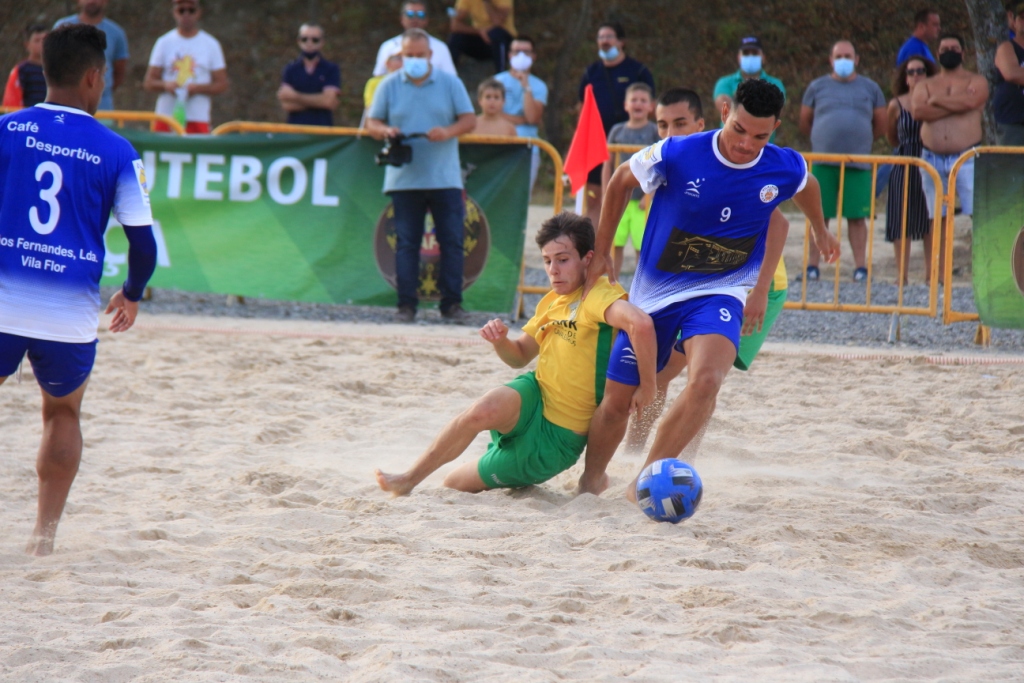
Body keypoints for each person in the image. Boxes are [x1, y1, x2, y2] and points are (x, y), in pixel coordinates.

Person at [577, 79, 840, 498]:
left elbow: (808, 185)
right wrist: (603, 252)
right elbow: (620, 181)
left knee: (706, 382)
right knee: (619, 400)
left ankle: (644, 482)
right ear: (723, 114)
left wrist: (821, 230)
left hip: (722, 292)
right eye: (739, 130)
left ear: (774, 129)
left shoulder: (781, 165)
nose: (747, 144)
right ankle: (591, 479)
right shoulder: (681, 151)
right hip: (657, 292)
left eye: (761, 136)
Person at [0, 24, 157, 556]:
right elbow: (143, 243)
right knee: (62, 414)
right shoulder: (116, 150)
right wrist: (132, 292)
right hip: (67, 308)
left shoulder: (6, 130)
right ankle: (42, 540)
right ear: (95, 78)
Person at [375, 212, 656, 496]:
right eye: (547, 261)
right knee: (480, 412)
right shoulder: (551, 301)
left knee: (454, 483)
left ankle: (592, 478)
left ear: (587, 258)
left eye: (562, 259)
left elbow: (641, 324)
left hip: (557, 438)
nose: (553, 270)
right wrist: (500, 342)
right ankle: (408, 479)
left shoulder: (598, 294)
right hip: (534, 395)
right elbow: (519, 356)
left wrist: (648, 387)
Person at [623, 88, 793, 455]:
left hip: (752, 287)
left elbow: (779, 224)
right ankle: (639, 450)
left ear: (704, 125)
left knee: (696, 379)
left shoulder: (736, 162)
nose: (670, 134)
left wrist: (761, 290)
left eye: (680, 124)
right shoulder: (677, 163)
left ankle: (680, 457)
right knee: (668, 374)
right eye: (662, 125)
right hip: (699, 284)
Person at [366, 29, 477, 323]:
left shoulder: (451, 83)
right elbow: (371, 122)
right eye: (409, 55)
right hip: (404, 179)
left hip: (445, 177)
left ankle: (452, 304)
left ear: (430, 55)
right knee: (406, 243)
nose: (414, 60)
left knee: (452, 241)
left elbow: (469, 119)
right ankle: (406, 306)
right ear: (401, 56)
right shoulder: (388, 85)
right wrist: (385, 131)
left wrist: (447, 132)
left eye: (419, 55)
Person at [800, 40, 886, 282]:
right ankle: (812, 267)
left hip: (858, 163)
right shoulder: (817, 87)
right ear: (831, 59)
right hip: (823, 161)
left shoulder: (871, 88)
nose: (844, 60)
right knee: (819, 215)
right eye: (839, 56)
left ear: (857, 59)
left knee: (857, 217)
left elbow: (880, 122)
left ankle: (860, 268)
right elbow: (805, 120)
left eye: (848, 56)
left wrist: (860, 139)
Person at [578, 22, 656, 229]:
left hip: (631, 140)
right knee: (595, 198)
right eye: (600, 37)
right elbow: (582, 107)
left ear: (621, 42)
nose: (604, 41)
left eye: (609, 36)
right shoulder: (590, 72)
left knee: (633, 197)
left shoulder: (637, 70)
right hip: (598, 144)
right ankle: (593, 247)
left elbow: (652, 102)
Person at [911, 34, 988, 224]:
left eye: (954, 49)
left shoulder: (976, 80)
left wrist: (936, 101)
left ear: (963, 53)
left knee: (977, 214)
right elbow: (919, 112)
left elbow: (972, 102)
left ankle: (982, 254)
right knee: (938, 217)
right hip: (931, 157)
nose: (949, 52)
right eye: (944, 49)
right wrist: (958, 106)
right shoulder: (925, 84)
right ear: (937, 54)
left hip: (967, 157)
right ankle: (942, 254)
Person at [601, 82, 659, 279]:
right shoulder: (617, 131)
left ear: (651, 106)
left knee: (641, 245)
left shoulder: (654, 131)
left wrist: (649, 195)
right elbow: (607, 164)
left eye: (643, 101)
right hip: (619, 198)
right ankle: (612, 284)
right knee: (615, 244)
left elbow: (659, 167)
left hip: (643, 200)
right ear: (626, 105)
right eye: (634, 100)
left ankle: (640, 285)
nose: (638, 104)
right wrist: (606, 192)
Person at [886, 57, 936, 284]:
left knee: (929, 218)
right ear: (904, 77)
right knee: (900, 218)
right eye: (911, 71)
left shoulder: (936, 101)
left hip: (930, 159)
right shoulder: (896, 104)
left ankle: (931, 274)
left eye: (921, 71)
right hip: (905, 159)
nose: (916, 75)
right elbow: (891, 136)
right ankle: (901, 275)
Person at [143, 0, 228, 134]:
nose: (186, 15)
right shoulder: (164, 42)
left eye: (191, 10)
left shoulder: (211, 44)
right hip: (166, 117)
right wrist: (166, 85)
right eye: (181, 10)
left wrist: (198, 88)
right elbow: (149, 82)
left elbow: (222, 83)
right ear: (174, 13)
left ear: (198, 13)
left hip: (198, 117)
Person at [54, 0, 129, 111]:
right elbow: (53, 63)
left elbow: (119, 71)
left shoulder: (116, 33)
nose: (92, 1)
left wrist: (97, 90)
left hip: (102, 105)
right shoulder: (62, 27)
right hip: (66, 101)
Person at [494, 36, 548, 188]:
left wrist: (525, 86)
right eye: (517, 51)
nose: (521, 56)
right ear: (509, 55)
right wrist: (520, 119)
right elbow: (490, 114)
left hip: (527, 148)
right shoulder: (496, 81)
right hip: (499, 145)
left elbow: (532, 118)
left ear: (533, 56)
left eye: (526, 52)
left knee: (521, 198)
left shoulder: (538, 86)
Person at [712, 36, 786, 142]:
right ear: (739, 57)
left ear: (763, 57)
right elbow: (724, 106)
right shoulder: (724, 83)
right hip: (729, 147)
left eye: (755, 53)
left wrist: (739, 106)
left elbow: (777, 111)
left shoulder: (775, 83)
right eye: (746, 53)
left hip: (764, 151)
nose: (750, 56)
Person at [277, 23, 341, 127]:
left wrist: (294, 96)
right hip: (295, 131)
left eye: (315, 40)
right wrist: (319, 101)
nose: (309, 43)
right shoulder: (290, 69)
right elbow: (286, 104)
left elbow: (328, 101)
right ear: (298, 41)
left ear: (322, 42)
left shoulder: (331, 69)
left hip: (323, 132)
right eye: (304, 39)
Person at [373, 2, 456, 78]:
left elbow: (452, 80)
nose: (415, 19)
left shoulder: (440, 48)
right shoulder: (388, 47)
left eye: (420, 14)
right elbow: (378, 79)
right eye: (410, 14)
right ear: (402, 18)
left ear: (426, 19)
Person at [447, 0, 516, 74]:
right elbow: (455, 26)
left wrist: (486, 2)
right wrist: (479, 32)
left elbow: (497, 22)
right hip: (481, 39)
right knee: (456, 38)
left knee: (496, 34)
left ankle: (501, 76)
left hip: (505, 42)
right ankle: (449, 74)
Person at [992, 2, 1024, 146]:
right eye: (1022, 17)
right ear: (1014, 21)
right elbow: (1012, 73)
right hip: (1014, 123)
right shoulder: (1007, 47)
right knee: (1012, 168)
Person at [2, 25, 48, 109]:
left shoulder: (57, 68)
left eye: (45, 40)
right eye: (37, 40)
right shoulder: (21, 70)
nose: (42, 44)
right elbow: (12, 103)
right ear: (27, 45)